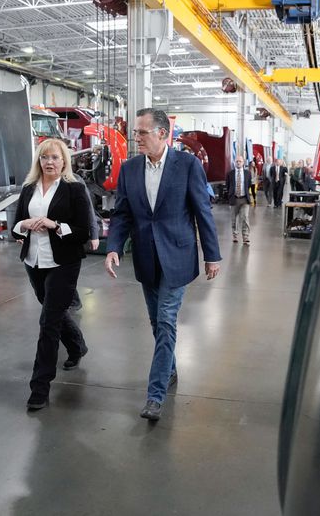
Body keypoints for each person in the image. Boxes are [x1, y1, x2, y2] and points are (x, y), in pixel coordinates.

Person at [105, 108, 222, 421]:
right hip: (145, 257)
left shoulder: (187, 165)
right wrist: (113, 247)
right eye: (136, 132)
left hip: (178, 256)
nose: (136, 138)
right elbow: (123, 214)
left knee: (167, 320)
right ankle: (169, 369)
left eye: (142, 132)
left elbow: (202, 211)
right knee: (157, 322)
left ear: (161, 133)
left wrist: (212, 254)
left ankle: (154, 396)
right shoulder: (129, 169)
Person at [12, 138, 92, 410]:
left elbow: (84, 231)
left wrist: (55, 225)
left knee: (48, 323)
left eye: (55, 158)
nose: (49, 162)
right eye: (44, 158)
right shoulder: (28, 189)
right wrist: (23, 225)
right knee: (53, 312)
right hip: (34, 261)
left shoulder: (74, 189)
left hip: (64, 263)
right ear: (38, 161)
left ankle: (39, 388)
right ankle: (77, 345)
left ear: (64, 161)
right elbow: (15, 226)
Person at [69, 173, 100, 311]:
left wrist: (94, 234)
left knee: (65, 274)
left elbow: (88, 208)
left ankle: (73, 301)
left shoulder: (75, 180)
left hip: (71, 235)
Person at [226, 155, 252, 245]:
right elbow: (228, 186)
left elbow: (248, 184)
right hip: (234, 199)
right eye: (237, 161)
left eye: (240, 161)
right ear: (234, 162)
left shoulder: (247, 173)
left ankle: (245, 237)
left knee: (245, 217)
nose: (238, 163)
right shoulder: (230, 173)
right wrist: (230, 196)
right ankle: (235, 235)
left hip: (244, 199)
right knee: (234, 219)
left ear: (243, 162)